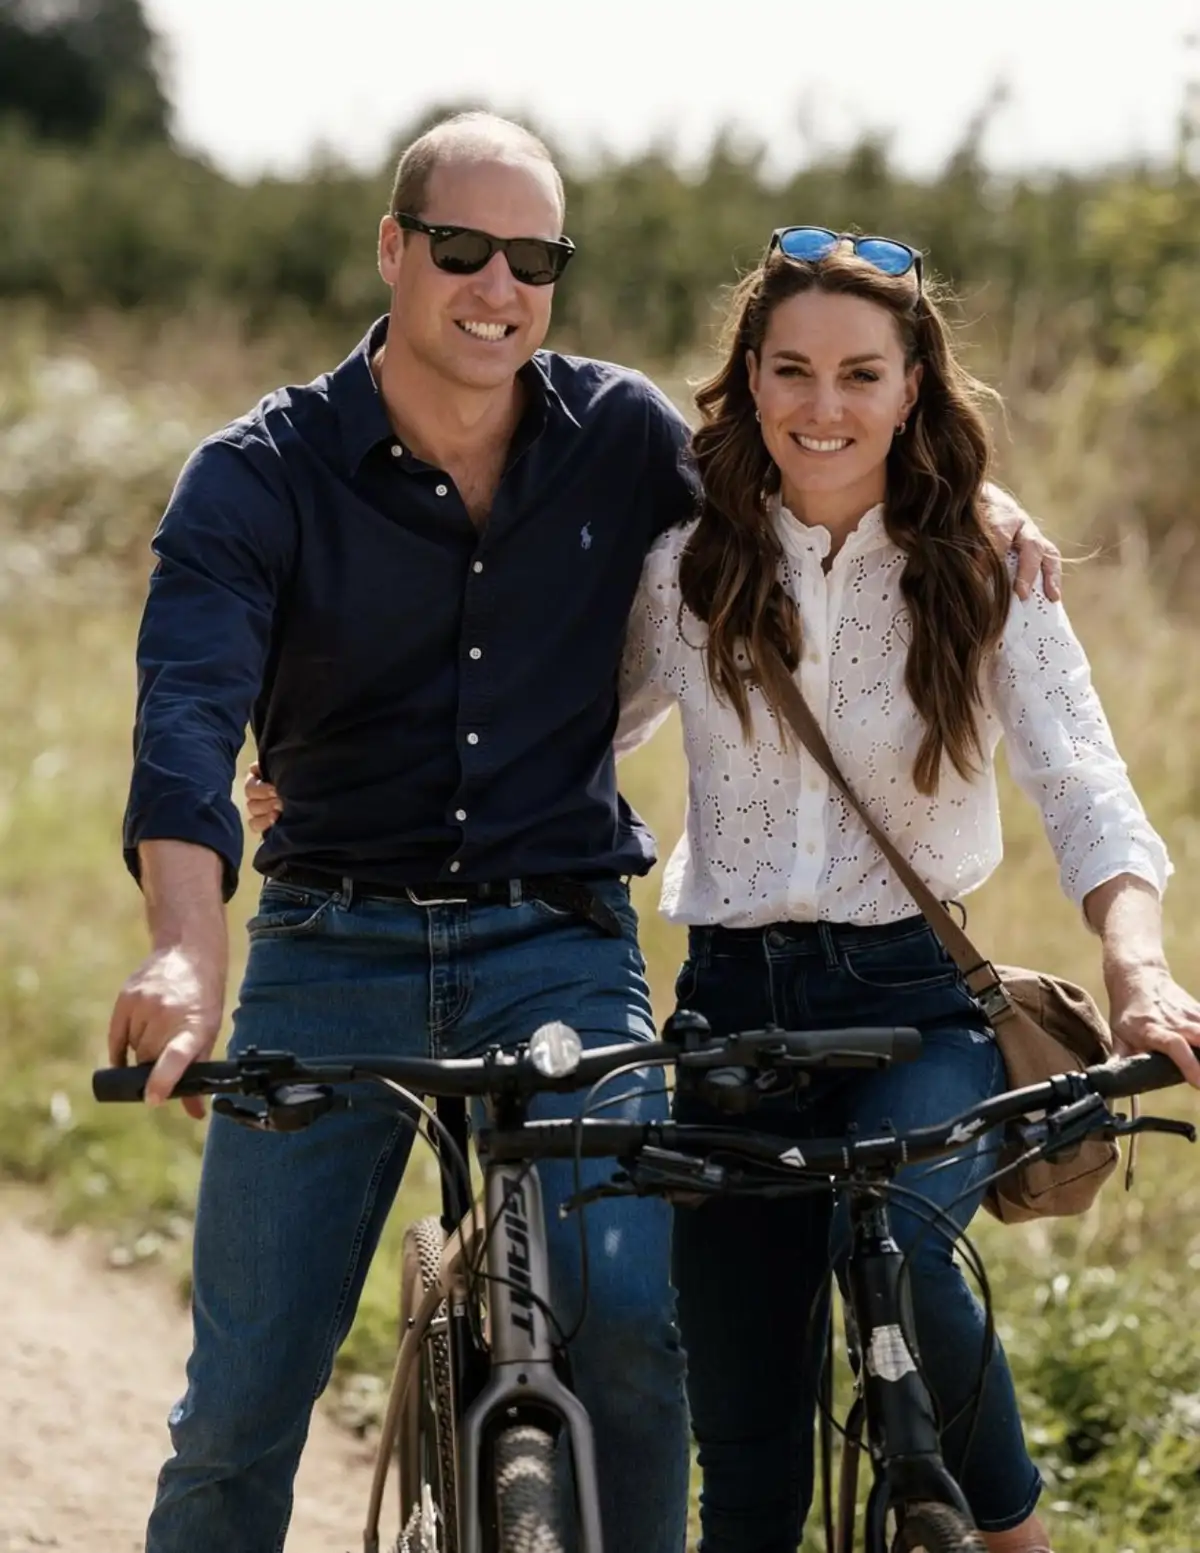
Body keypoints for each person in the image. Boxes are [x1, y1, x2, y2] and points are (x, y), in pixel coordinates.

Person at [112, 107, 1057, 1553]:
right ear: (393, 247)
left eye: (533, 256)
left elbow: (814, 463)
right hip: (327, 944)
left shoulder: (618, 440)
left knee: (630, 1330)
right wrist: (186, 953)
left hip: (560, 946)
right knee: (242, 1407)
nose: (498, 286)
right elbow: (186, 718)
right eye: (462, 248)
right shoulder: (256, 477)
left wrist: (968, 490)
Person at [609, 232, 1199, 1552]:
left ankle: (1011, 1533)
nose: (825, 407)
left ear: (912, 387)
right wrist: (344, 787)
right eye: (794, 370)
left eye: (861, 374)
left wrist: (1140, 970)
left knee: (909, 1239)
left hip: (917, 1005)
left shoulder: (987, 568)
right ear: (750, 381)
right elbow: (567, 737)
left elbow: (1085, 783)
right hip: (732, 1011)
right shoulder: (686, 570)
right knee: (748, 1469)